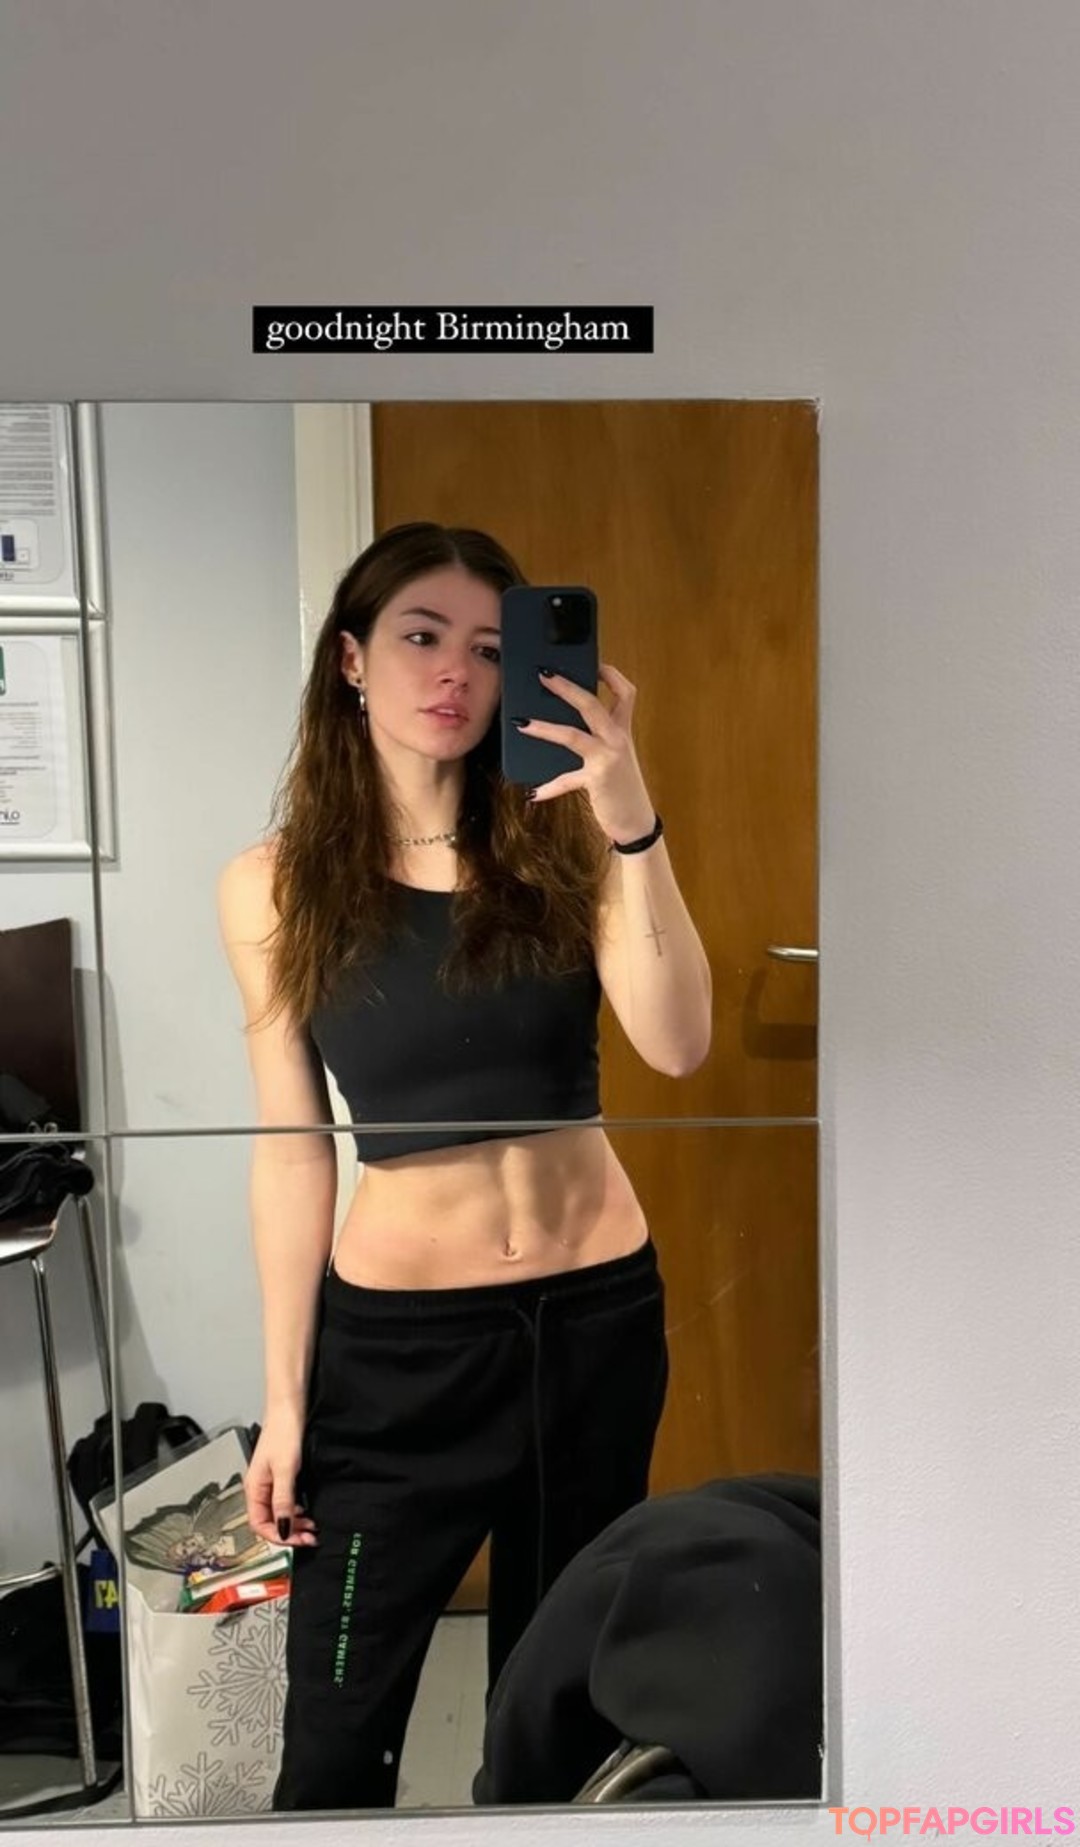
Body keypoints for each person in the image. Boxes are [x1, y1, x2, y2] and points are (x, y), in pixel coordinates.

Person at [216, 521, 712, 1811]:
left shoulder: (564, 848)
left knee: (557, 1712)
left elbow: (678, 1046)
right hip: (403, 1357)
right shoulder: (275, 886)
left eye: (490, 648)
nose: (454, 672)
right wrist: (285, 1404)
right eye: (420, 636)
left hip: (595, 1325)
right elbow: (291, 1147)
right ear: (351, 660)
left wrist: (631, 817)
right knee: (338, 1729)